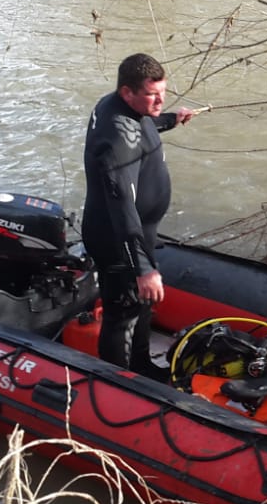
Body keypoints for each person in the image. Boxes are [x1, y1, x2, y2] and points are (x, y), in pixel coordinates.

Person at [81, 53, 196, 376]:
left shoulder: (122, 107)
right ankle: (117, 382)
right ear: (127, 92)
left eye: (163, 92)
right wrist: (143, 268)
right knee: (123, 312)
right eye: (152, 95)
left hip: (138, 235)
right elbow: (121, 207)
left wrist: (171, 118)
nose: (159, 100)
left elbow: (144, 124)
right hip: (116, 238)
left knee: (141, 304)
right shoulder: (117, 141)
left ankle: (142, 366)